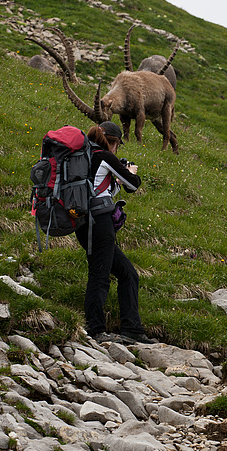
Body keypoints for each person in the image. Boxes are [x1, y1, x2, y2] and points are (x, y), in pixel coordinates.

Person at [80, 120, 155, 344]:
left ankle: (132, 329)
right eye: (117, 145)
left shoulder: (84, 156)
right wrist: (129, 171)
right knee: (99, 276)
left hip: (84, 223)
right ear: (113, 143)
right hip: (100, 223)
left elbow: (99, 187)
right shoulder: (105, 156)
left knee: (127, 273)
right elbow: (133, 184)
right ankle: (96, 330)